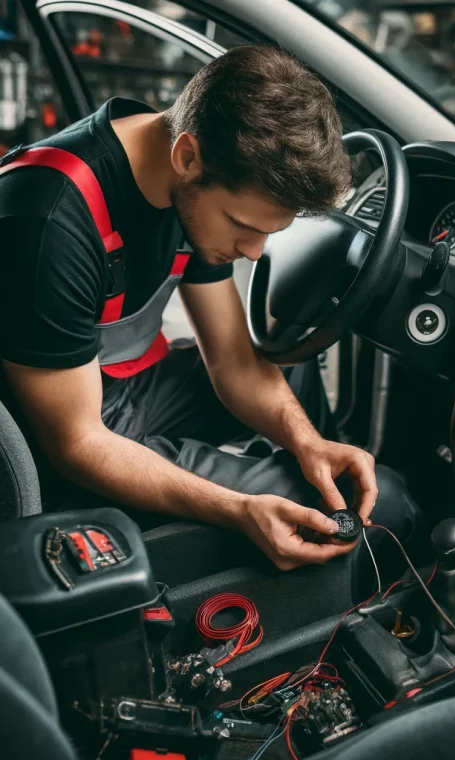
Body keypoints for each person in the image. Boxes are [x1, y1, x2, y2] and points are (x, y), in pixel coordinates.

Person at [0, 45, 420, 578]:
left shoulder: (183, 180)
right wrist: (239, 508)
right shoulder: (50, 221)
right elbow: (76, 444)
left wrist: (309, 443)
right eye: (244, 225)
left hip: (125, 388)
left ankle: (303, 488)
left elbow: (234, 362)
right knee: (388, 512)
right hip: (68, 442)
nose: (252, 251)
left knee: (289, 366)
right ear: (188, 156)